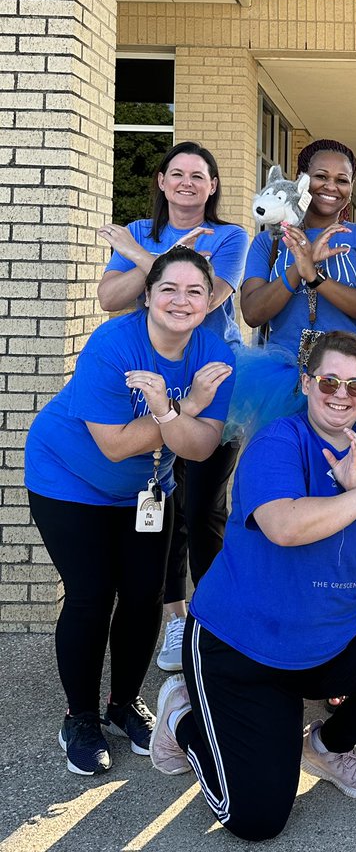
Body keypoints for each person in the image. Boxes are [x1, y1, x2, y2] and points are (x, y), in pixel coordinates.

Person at [148, 331, 356, 843]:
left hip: (335, 635)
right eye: (329, 380)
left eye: (355, 385)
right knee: (256, 820)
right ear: (307, 383)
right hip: (244, 646)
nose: (341, 394)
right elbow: (285, 526)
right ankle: (182, 722)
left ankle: (324, 747)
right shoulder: (278, 441)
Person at [26, 246, 235, 776]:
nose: (181, 300)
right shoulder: (114, 343)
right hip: (68, 478)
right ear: (147, 295)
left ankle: (122, 706)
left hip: (146, 488)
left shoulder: (215, 356)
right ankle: (81, 717)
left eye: (195, 291)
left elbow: (199, 449)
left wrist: (172, 412)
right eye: (168, 289)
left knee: (144, 597)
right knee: (92, 596)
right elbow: (114, 445)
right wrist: (182, 410)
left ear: (210, 300)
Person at [98, 141, 249, 674]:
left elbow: (206, 298)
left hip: (210, 383)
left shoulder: (230, 236)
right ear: (161, 181)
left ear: (212, 187)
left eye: (200, 176)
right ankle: (177, 617)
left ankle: (213, 619)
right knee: (161, 506)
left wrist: (145, 264)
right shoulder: (141, 229)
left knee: (205, 507)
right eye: (178, 173)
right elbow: (111, 299)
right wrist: (155, 259)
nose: (188, 182)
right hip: (142, 383)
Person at [241, 138, 356, 361]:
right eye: (321, 176)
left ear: (351, 187)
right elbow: (252, 314)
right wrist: (299, 267)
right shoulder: (268, 241)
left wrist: (314, 276)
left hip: (351, 375)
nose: (331, 186)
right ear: (301, 179)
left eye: (342, 180)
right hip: (283, 373)